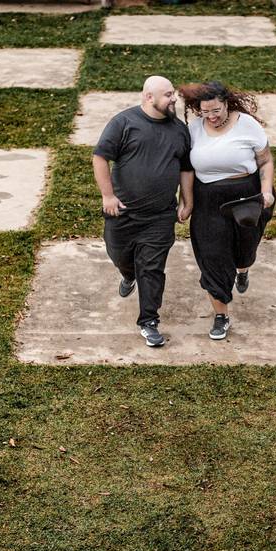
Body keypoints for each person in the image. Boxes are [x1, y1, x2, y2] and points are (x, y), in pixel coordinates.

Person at [92, 76, 194, 348]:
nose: (173, 99)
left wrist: (187, 200)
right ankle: (127, 274)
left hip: (160, 217)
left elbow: (186, 167)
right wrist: (108, 196)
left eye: (173, 94)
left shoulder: (179, 130)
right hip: (122, 213)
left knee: (151, 268)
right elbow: (100, 157)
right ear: (149, 97)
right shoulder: (123, 123)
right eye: (168, 95)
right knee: (119, 254)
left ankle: (149, 321)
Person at [177, 81, 275, 340]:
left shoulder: (247, 125)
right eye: (205, 111)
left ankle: (243, 269)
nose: (211, 116)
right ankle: (221, 314)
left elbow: (265, 160)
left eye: (216, 110)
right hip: (208, 199)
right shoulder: (194, 129)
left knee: (244, 249)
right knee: (213, 257)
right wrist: (187, 202)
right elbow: (186, 169)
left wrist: (266, 190)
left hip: (246, 195)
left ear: (226, 103)